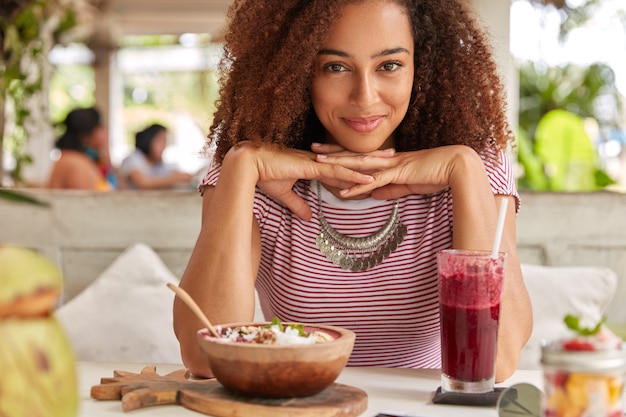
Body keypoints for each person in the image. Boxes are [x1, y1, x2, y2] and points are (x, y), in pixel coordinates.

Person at [173, 0, 533, 381]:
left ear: (422, 66)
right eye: (335, 67)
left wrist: (464, 169)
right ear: (297, 71)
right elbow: (203, 356)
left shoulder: (476, 168)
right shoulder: (249, 172)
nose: (365, 97)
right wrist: (242, 166)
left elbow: (497, 360)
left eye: (389, 65)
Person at [47, 107, 118, 191]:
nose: (105, 131)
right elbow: (89, 201)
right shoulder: (74, 162)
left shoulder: (83, 159)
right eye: (100, 127)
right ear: (86, 135)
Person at [120, 123, 194, 189]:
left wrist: (186, 176)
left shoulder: (158, 163)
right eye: (161, 141)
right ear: (148, 140)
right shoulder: (134, 158)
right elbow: (143, 183)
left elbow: (172, 172)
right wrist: (175, 179)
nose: (164, 146)